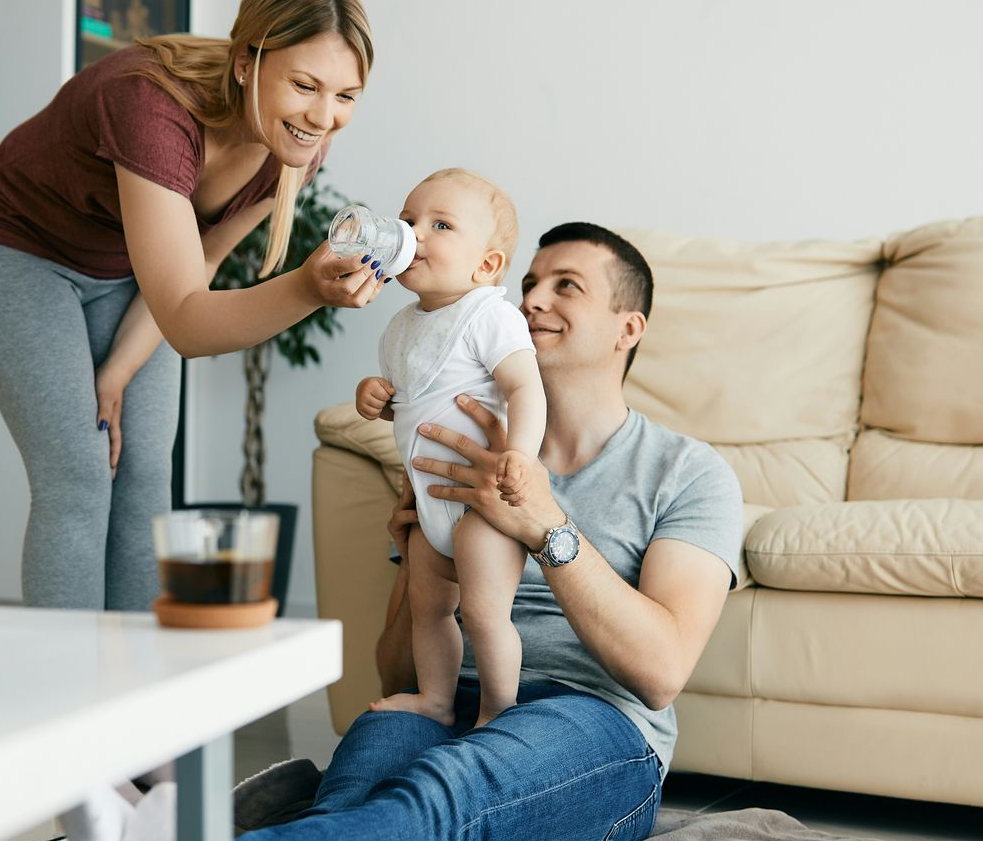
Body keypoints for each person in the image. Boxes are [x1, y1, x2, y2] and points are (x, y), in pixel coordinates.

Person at [247, 222, 743, 841]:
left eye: (567, 287)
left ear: (628, 328)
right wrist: (416, 549)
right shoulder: (452, 450)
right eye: (530, 283)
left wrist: (545, 525)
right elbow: (393, 671)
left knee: (438, 796)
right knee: (353, 800)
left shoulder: (688, 473)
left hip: (591, 719)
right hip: (447, 697)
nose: (532, 299)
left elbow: (661, 673)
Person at [0, 0, 385, 611]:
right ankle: (64, 691)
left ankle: (136, 688)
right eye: (305, 85)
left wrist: (118, 371)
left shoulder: (298, 143)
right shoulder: (150, 105)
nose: (324, 116)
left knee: (148, 474)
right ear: (246, 63)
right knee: (78, 475)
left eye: (346, 95)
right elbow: (186, 318)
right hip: (19, 253)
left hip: (129, 273)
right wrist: (308, 289)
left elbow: (199, 263)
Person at [352, 169, 545, 730]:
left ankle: (496, 709)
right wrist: (376, 397)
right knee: (429, 609)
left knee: (485, 613)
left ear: (485, 266)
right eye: (409, 220)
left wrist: (522, 457)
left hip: (483, 502)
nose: (415, 233)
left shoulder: (490, 314)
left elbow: (524, 387)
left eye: (440, 224)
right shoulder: (399, 329)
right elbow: (410, 402)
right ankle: (436, 699)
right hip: (429, 500)